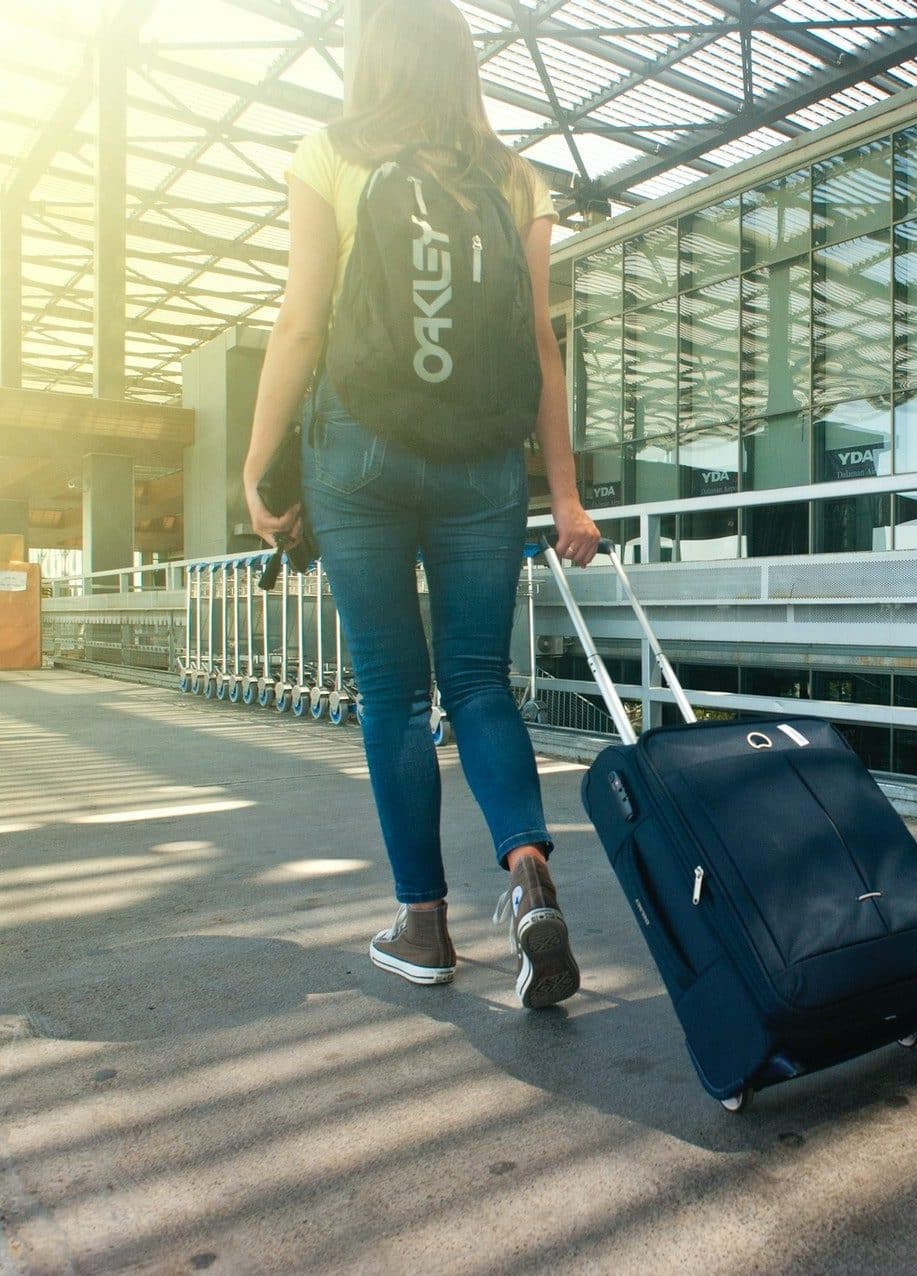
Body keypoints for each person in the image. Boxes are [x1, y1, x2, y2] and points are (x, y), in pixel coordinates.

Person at [242, 0, 600, 1008]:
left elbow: (300, 323)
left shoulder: (331, 152)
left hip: (357, 455)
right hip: (484, 465)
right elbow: (541, 348)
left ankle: (423, 923)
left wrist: (259, 462)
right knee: (481, 681)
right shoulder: (516, 177)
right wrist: (565, 495)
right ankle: (530, 877)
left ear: (371, 55)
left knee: (394, 693)